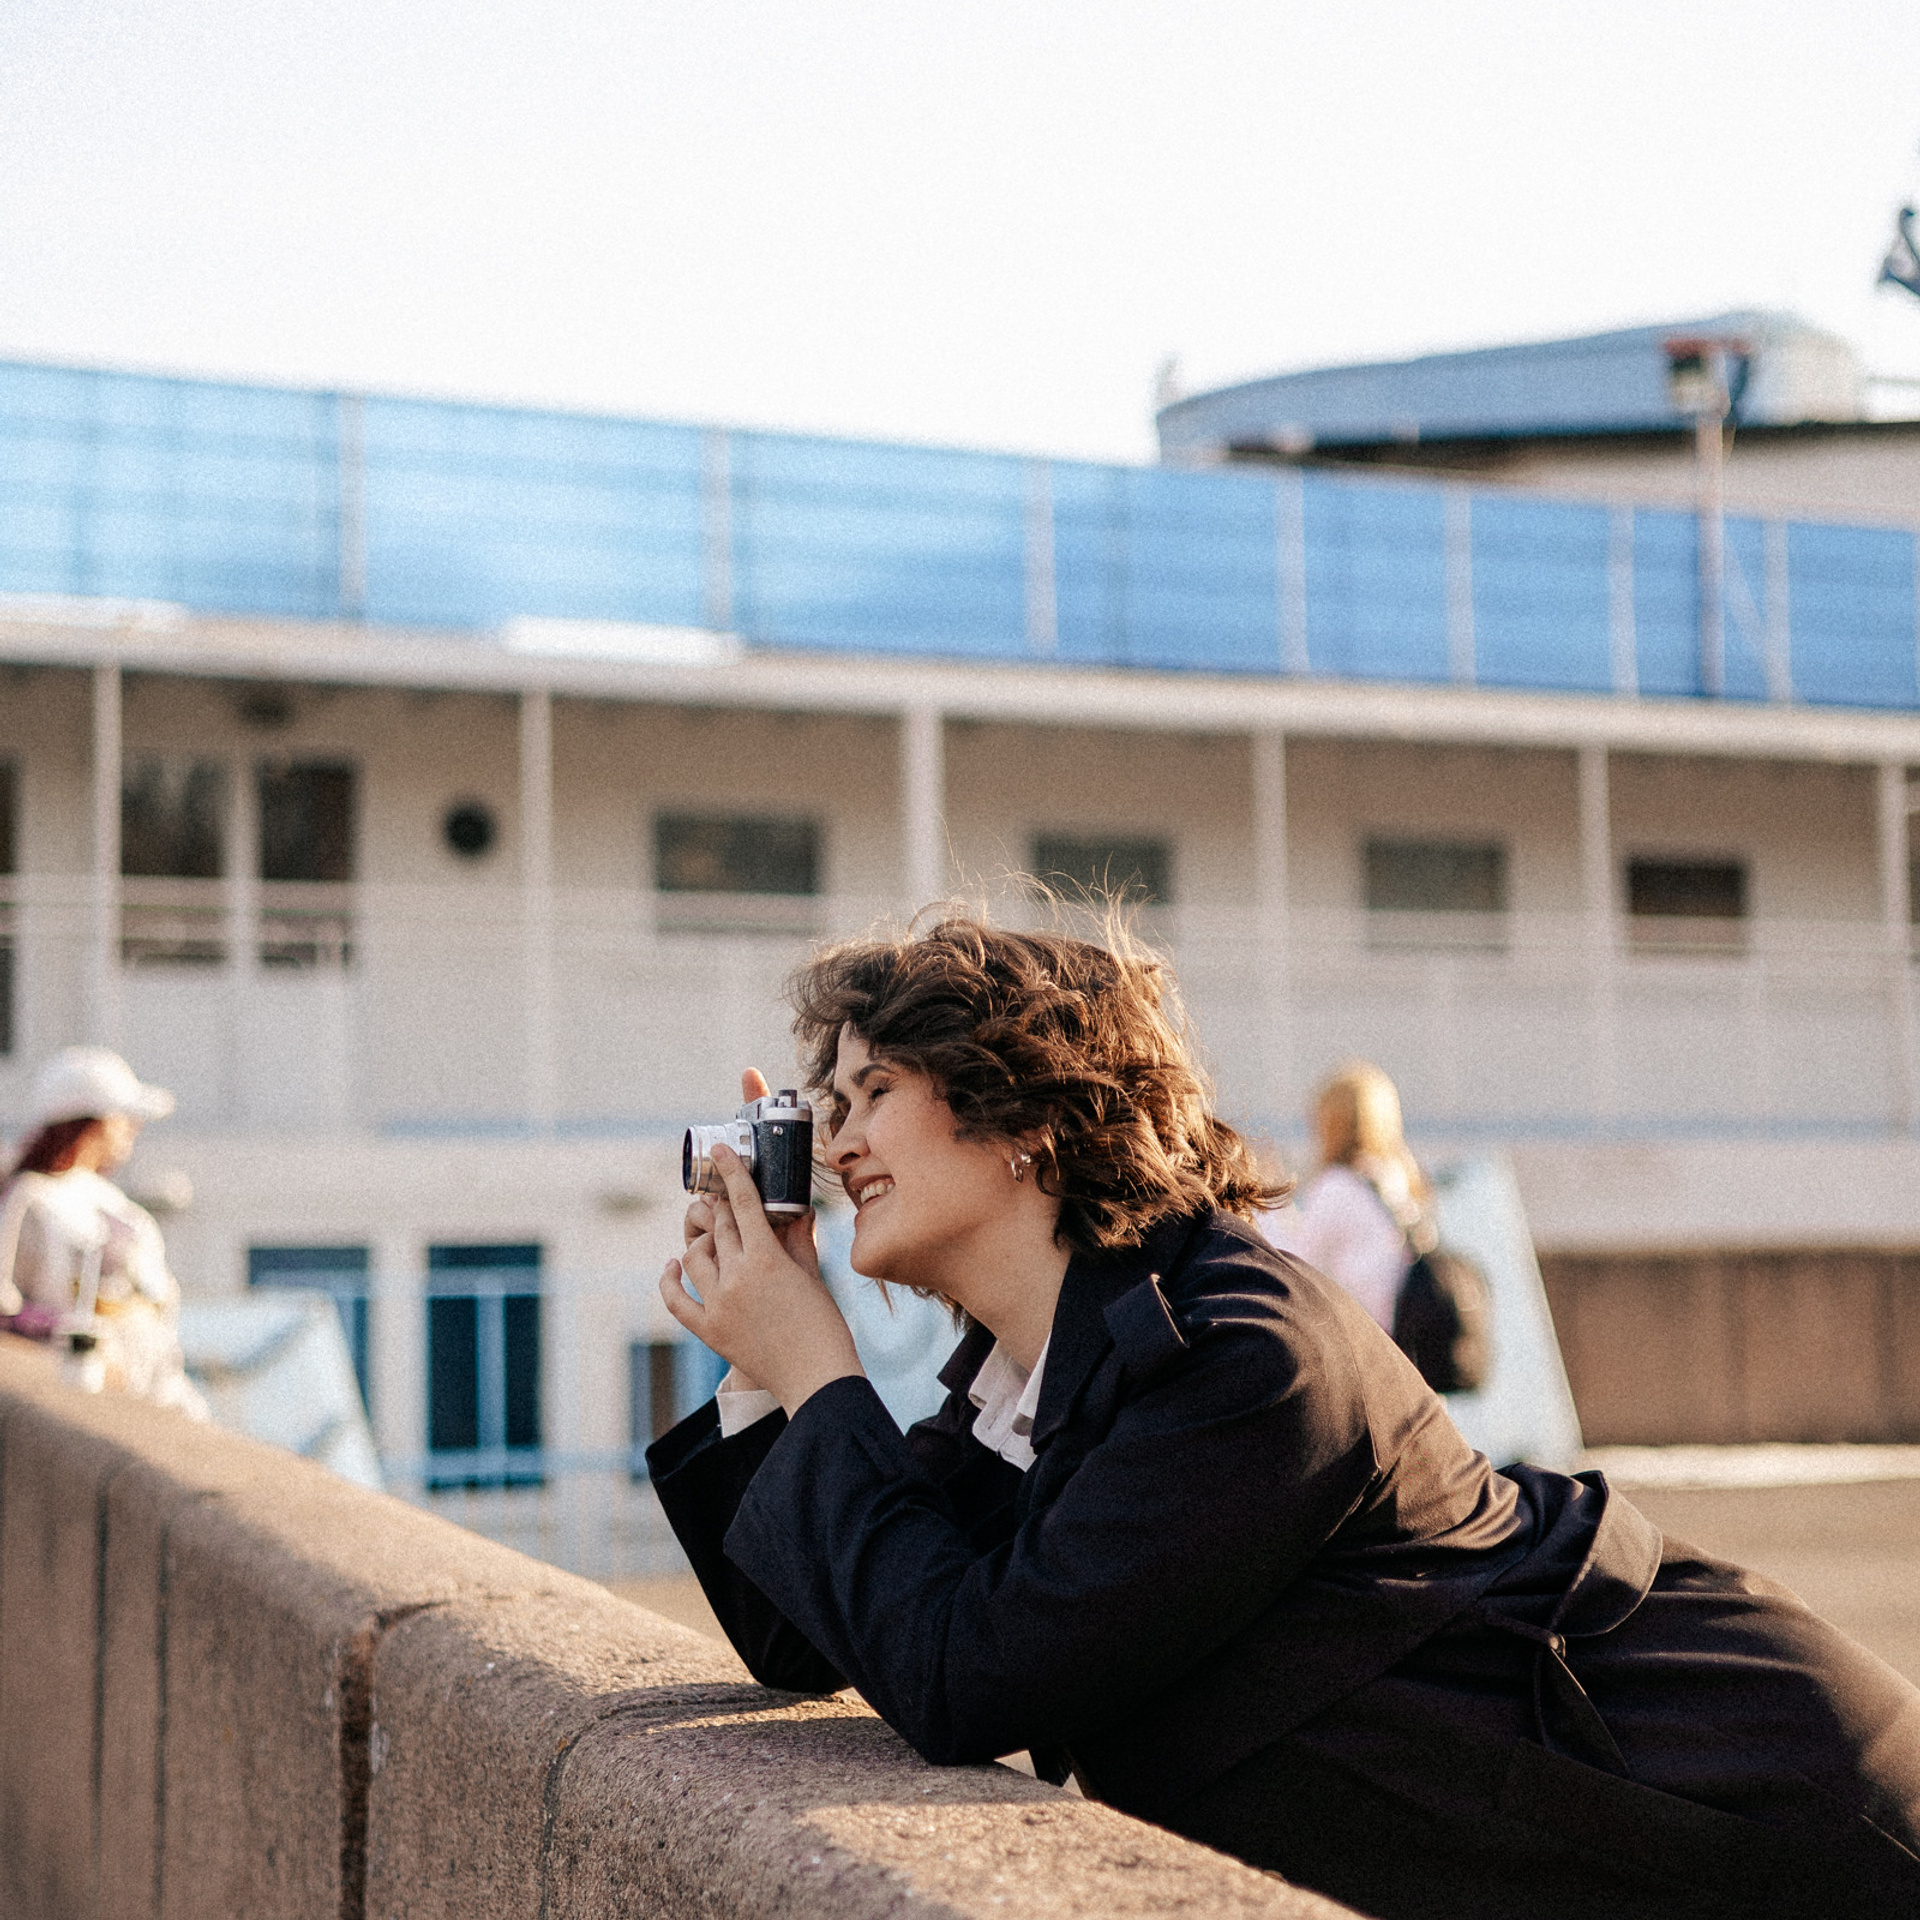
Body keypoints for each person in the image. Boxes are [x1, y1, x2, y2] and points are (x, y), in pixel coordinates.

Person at [647, 915, 1920, 1919]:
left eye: (870, 1093)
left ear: (1022, 1115)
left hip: (1745, 1793)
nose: (836, 1141)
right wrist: (767, 1359)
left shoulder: (1237, 1356)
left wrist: (819, 1370)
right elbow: (812, 1635)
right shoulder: (1047, 1362)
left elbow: (964, 1675)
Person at [0, 1046, 207, 1417]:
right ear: (90, 1122)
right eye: (124, 1117)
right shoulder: (29, 1200)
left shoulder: (119, 1206)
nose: (134, 1128)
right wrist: (74, 1335)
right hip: (78, 1404)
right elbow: (4, 1309)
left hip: (157, 1396)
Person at [1262, 1060, 1426, 1333]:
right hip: (1402, 1340)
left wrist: (1266, 1201)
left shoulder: (1338, 1187)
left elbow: (1295, 1269)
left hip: (1368, 1342)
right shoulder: (1398, 1177)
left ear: (1333, 1125)